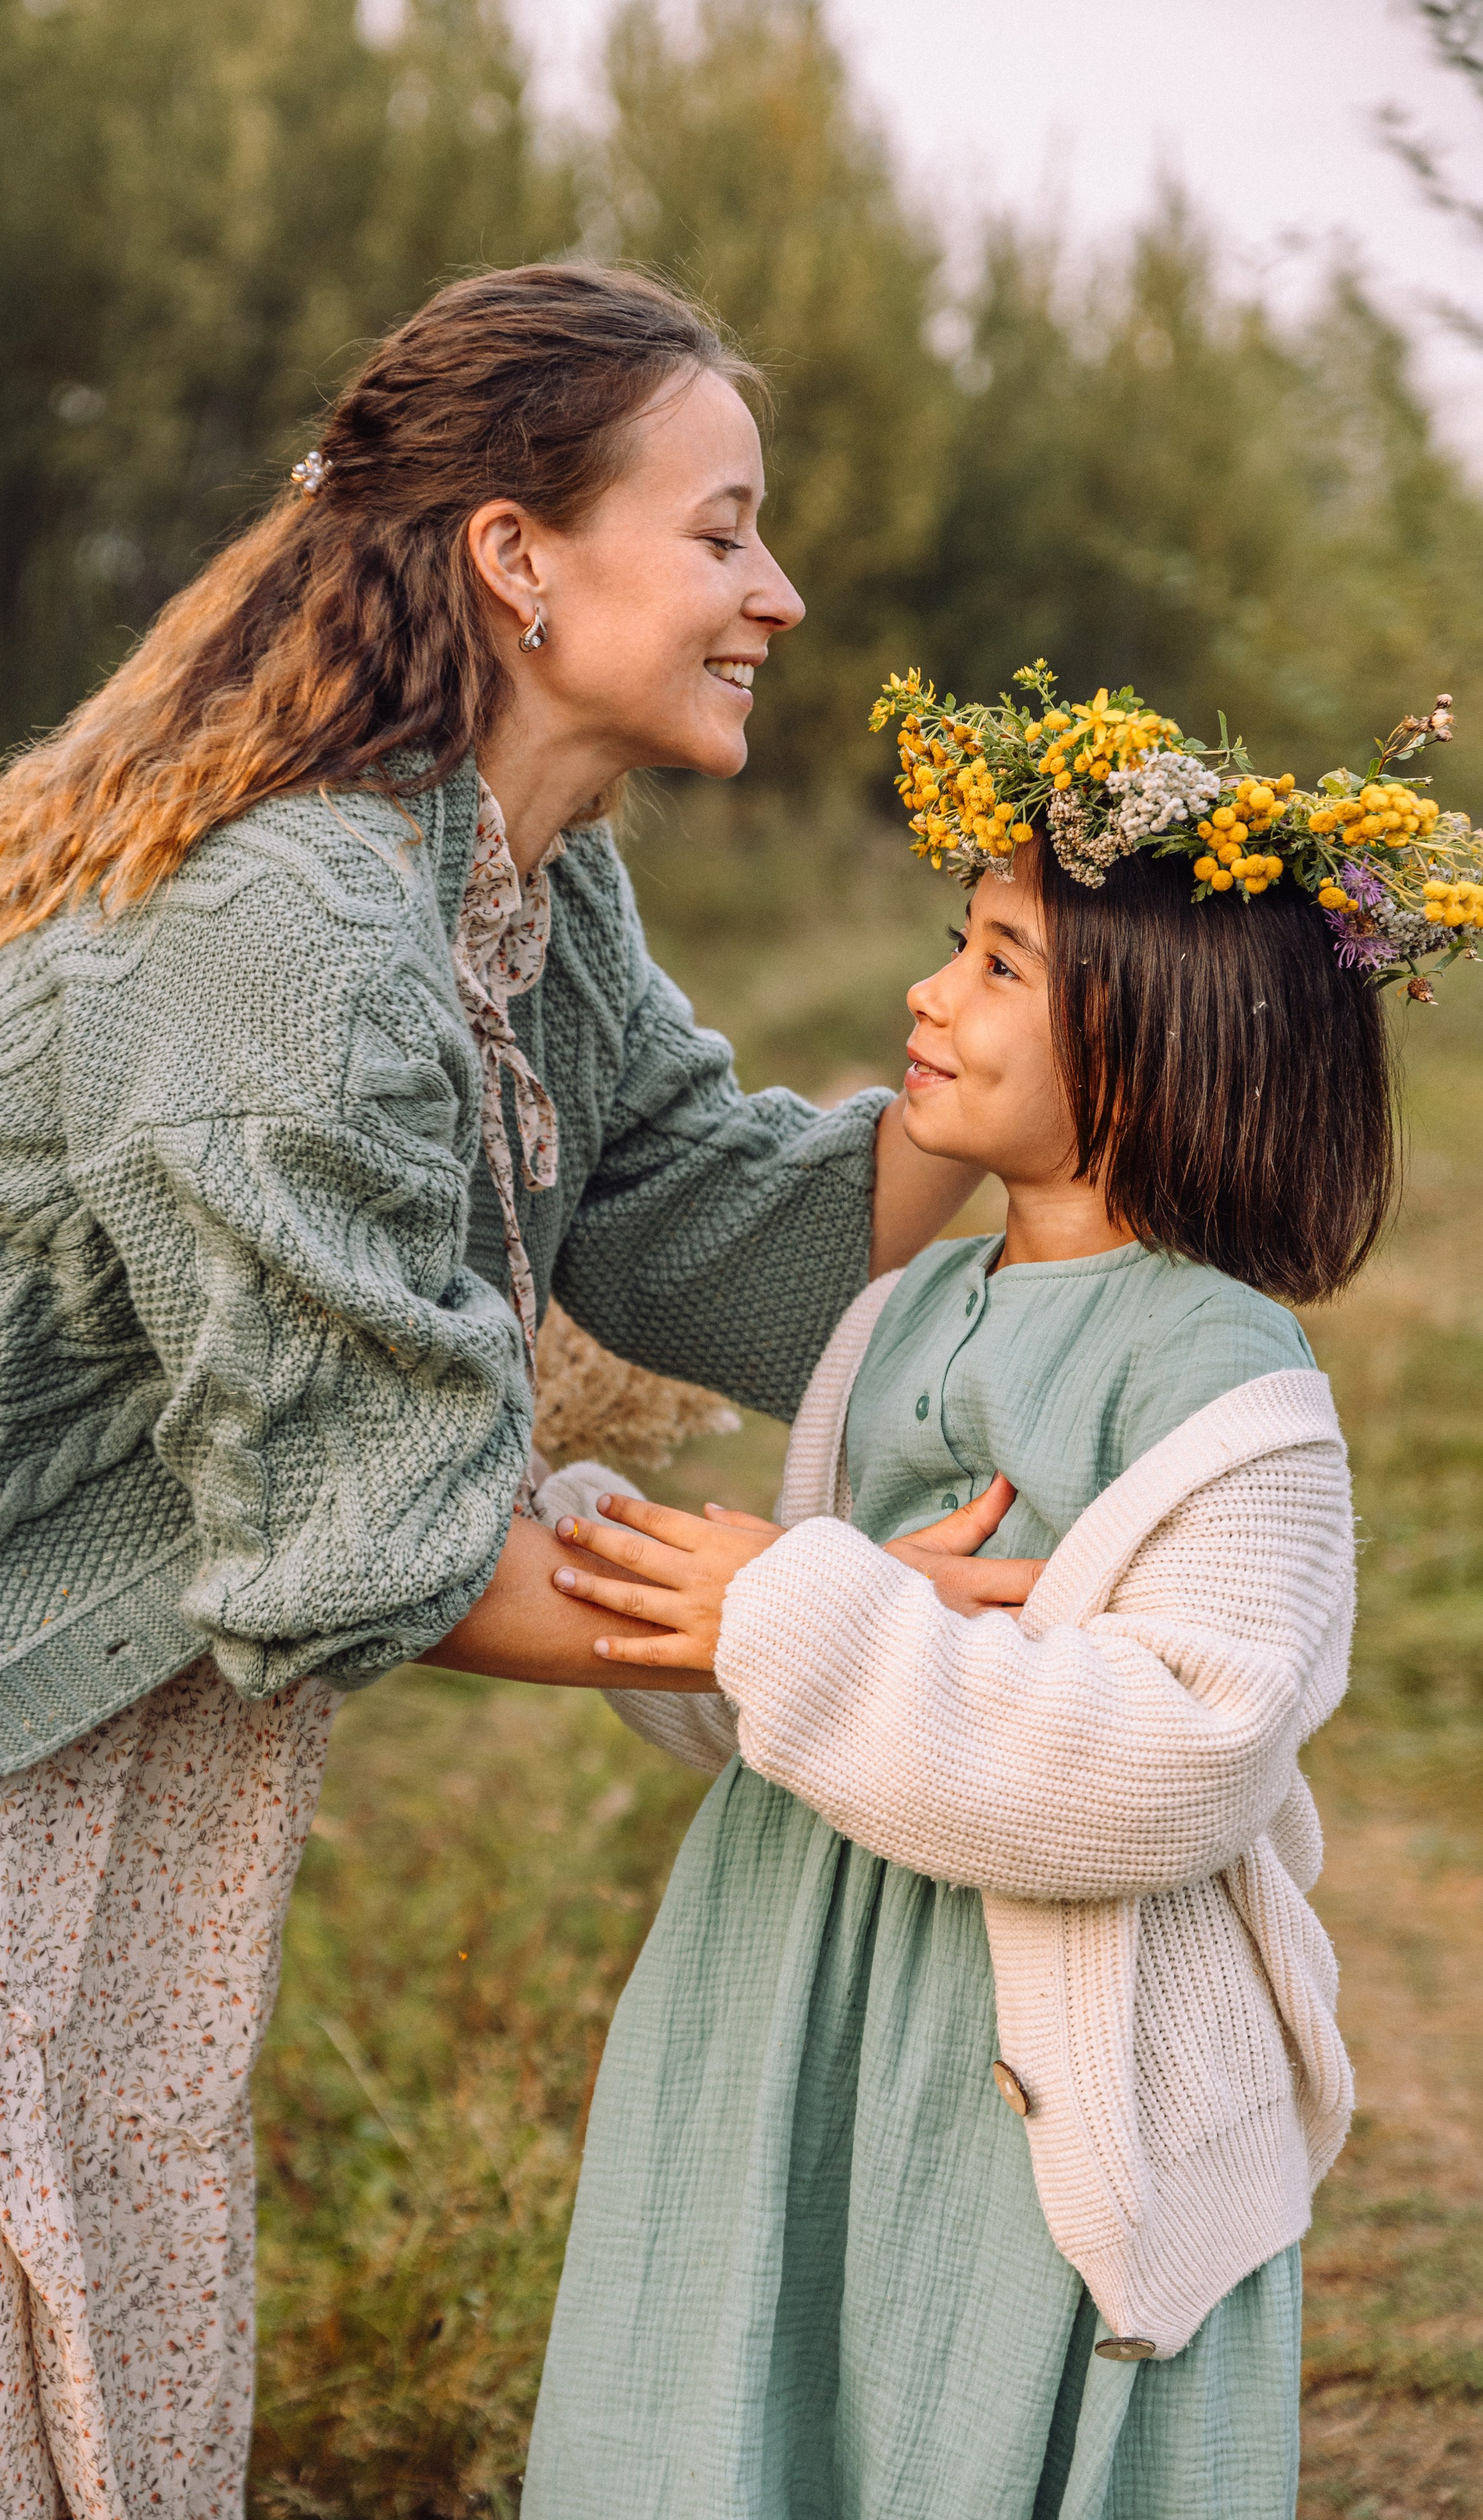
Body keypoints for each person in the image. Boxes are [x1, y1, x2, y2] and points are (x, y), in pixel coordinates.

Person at [0, 266, 1014, 2518]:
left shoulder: (522, 888)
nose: (774, 592)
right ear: (518, 557)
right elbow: (364, 1542)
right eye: (720, 533)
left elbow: (699, 1212)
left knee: (83, 2275)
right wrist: (817, 1625)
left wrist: (1070, 1049)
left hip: (67, 1655)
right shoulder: (290, 925)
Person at [524, 814, 1394, 2518]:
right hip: (794, 1989)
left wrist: (791, 1613)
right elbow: (823, 1681)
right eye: (957, 940)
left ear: (1163, 1044)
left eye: (999, 964)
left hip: (1028, 2052)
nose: (929, 992)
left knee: (956, 2419)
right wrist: (614, 1565)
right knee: (760, 2393)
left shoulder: (1223, 1372)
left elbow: (1179, 1756)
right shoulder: (899, 1310)